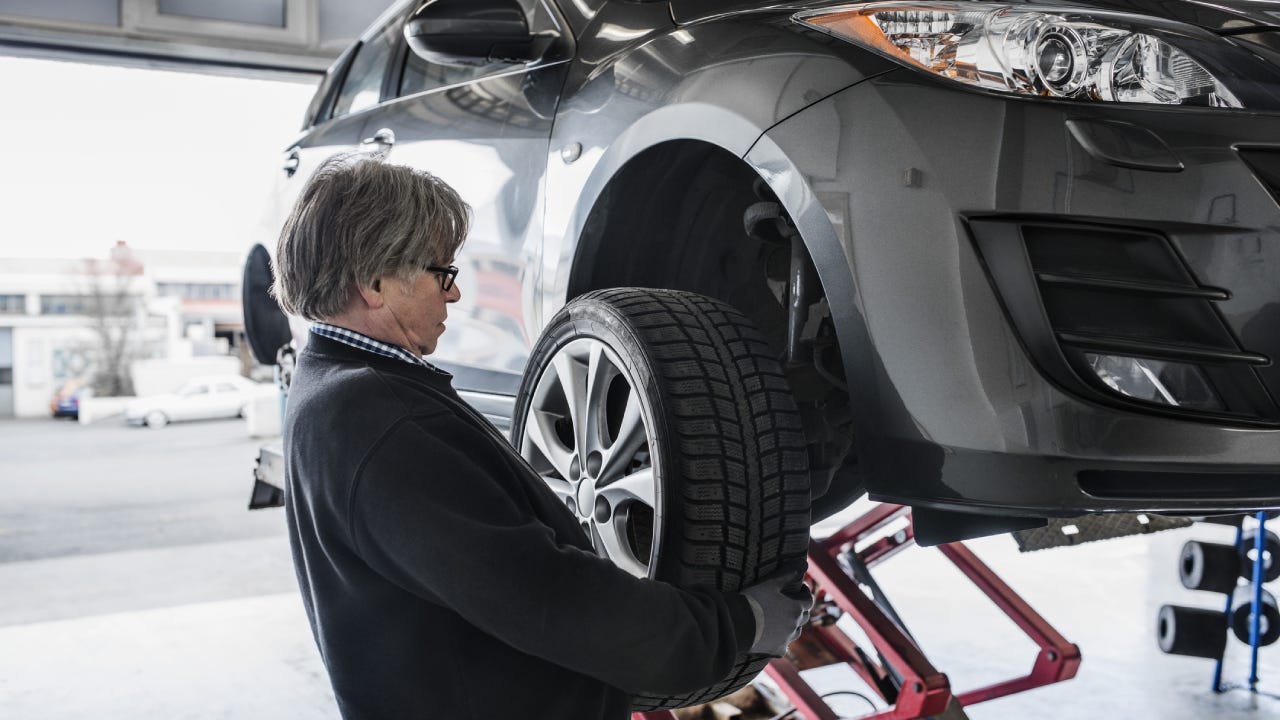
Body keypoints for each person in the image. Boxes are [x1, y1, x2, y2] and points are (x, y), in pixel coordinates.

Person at [271, 154, 812, 720]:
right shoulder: (381, 419)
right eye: (441, 273)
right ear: (376, 282)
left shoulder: (333, 390)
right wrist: (740, 624)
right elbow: (549, 598)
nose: (453, 295)